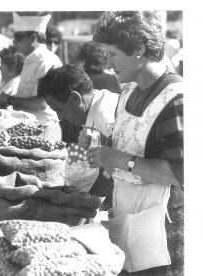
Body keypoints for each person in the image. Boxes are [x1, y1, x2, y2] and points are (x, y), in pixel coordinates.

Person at [79, 11, 184, 275]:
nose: (108, 63)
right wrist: (100, 143)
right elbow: (127, 143)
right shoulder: (127, 91)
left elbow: (181, 173)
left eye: (113, 55)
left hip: (162, 234)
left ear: (139, 49)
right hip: (128, 218)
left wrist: (117, 159)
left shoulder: (176, 100)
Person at [37, 64, 119, 198]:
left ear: (76, 98)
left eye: (59, 109)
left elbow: (118, 170)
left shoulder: (105, 117)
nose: (60, 117)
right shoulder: (92, 111)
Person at [6, 12, 62, 125]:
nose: (14, 41)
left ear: (33, 37)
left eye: (18, 37)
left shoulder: (46, 61)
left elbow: (42, 103)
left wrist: (9, 100)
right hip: (30, 124)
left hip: (43, 126)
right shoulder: (31, 59)